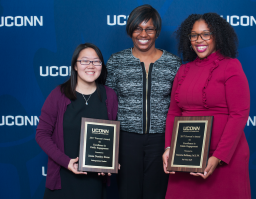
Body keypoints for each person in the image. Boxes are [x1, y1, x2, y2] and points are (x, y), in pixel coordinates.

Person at [162, 13, 251, 199]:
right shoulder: (183, 70)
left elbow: (239, 114)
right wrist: (169, 149)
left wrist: (218, 157)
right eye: (194, 35)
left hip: (224, 157)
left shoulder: (231, 66)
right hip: (186, 157)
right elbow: (173, 112)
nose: (199, 40)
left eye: (206, 34)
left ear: (217, 36)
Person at [106, 4, 181, 199]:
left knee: (157, 194)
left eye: (149, 29)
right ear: (130, 30)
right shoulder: (116, 61)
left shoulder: (173, 63)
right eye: (138, 28)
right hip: (126, 140)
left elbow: (179, 105)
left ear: (157, 32)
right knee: (128, 193)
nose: (143, 34)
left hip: (161, 141)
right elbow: (108, 104)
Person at [36, 43, 118, 199]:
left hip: (95, 182)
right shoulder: (58, 95)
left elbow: (114, 135)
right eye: (85, 61)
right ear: (75, 65)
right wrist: (66, 162)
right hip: (63, 178)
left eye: (96, 61)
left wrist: (113, 161)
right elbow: (41, 134)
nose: (91, 65)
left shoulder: (110, 95)